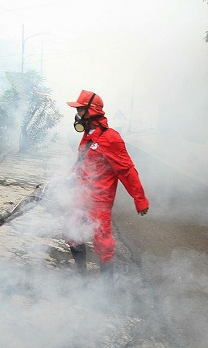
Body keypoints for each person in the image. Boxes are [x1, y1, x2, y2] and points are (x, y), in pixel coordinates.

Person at [65, 89, 149, 278]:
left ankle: (107, 289)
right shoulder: (88, 134)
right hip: (81, 196)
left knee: (103, 244)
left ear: (92, 111)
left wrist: (140, 199)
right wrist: (71, 178)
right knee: (72, 233)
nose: (77, 114)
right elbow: (84, 163)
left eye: (80, 110)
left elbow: (127, 171)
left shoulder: (111, 138)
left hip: (99, 200)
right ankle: (81, 277)